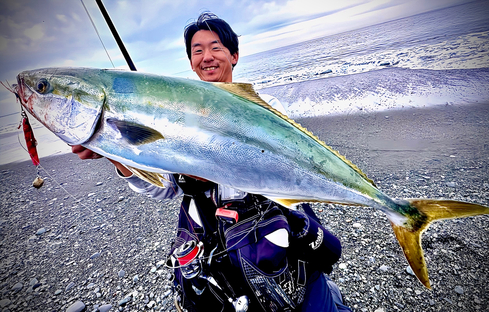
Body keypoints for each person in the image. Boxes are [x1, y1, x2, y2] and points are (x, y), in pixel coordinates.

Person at [73, 12, 351, 312]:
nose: (207, 57)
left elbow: (285, 167)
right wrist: (119, 155)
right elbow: (164, 188)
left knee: (314, 301)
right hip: (218, 246)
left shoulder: (267, 109)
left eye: (216, 47)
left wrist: (211, 172)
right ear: (191, 62)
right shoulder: (173, 116)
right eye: (197, 51)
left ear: (234, 55)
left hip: (276, 238)